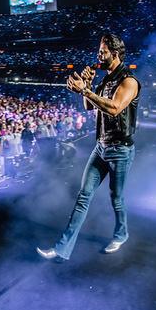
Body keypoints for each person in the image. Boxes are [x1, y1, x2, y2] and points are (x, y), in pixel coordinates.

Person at [38, 33, 140, 261]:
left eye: (102, 52)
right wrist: (87, 86)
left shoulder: (129, 81)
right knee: (83, 196)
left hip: (120, 150)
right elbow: (88, 106)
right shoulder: (105, 79)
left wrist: (86, 90)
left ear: (114, 53)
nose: (98, 55)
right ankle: (62, 249)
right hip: (101, 147)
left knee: (117, 198)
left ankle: (121, 234)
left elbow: (114, 108)